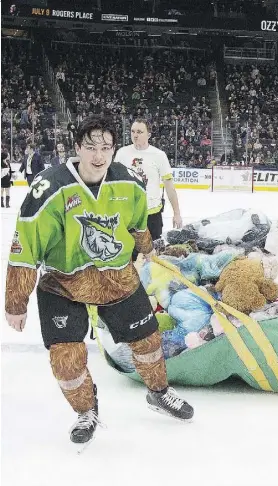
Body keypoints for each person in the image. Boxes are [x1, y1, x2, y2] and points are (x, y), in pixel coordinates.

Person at [4, 115, 194, 445]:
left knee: (148, 341)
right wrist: (15, 302)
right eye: (91, 147)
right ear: (77, 148)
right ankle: (85, 410)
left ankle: (159, 393)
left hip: (117, 277)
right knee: (66, 357)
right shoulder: (48, 189)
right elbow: (24, 251)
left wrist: (147, 248)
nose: (98, 155)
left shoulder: (128, 182)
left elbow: (137, 224)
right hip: (63, 283)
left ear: (113, 150)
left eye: (106, 148)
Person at [114, 119, 183, 257]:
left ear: (149, 134)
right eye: (133, 131)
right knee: (129, 257)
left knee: (152, 257)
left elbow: (169, 186)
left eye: (140, 132)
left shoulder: (159, 155)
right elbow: (114, 184)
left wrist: (176, 212)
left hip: (152, 214)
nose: (135, 135)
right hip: (129, 216)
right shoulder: (122, 153)